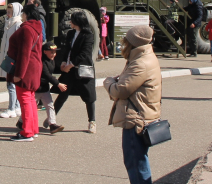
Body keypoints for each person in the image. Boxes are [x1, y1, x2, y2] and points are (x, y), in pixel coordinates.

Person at [103, 25, 161, 184]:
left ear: (133, 43)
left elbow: (120, 91)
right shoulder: (145, 57)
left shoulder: (140, 63)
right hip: (141, 115)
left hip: (135, 120)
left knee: (136, 163)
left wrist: (108, 82)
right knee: (138, 161)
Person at [54, 10, 97, 134]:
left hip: (82, 69)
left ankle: (92, 122)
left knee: (89, 96)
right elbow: (67, 49)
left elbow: (85, 53)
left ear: (78, 21)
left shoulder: (88, 35)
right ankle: (52, 118)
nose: (70, 22)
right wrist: (64, 62)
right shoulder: (71, 33)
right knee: (63, 93)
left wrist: (71, 64)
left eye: (72, 20)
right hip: (69, 69)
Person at [5, 4, 43, 141]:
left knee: (25, 99)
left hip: (26, 69)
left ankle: (27, 132)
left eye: (23, 13)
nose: (21, 15)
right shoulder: (36, 28)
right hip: (33, 67)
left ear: (27, 14)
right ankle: (33, 129)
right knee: (30, 98)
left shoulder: (26, 29)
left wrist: (18, 74)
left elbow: (24, 53)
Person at [0, 2, 23, 118]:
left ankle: (11, 108)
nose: (8, 14)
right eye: (7, 12)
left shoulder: (18, 24)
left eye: (10, 12)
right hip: (7, 55)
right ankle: (17, 107)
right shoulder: (8, 23)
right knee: (11, 84)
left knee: (11, 84)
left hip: (12, 57)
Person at [38, 41, 65, 134]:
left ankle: (52, 125)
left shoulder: (51, 60)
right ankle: (21, 122)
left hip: (45, 88)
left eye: (55, 52)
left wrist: (62, 68)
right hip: (37, 88)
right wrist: (58, 84)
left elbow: (53, 70)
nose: (54, 54)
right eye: (51, 52)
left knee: (50, 106)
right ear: (45, 52)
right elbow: (47, 75)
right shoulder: (41, 61)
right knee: (31, 107)